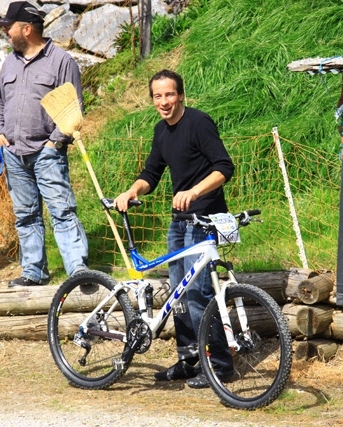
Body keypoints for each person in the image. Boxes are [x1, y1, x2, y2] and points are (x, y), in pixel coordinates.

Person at [114, 69, 235, 389]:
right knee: (179, 296)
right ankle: (189, 360)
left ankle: (220, 365)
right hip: (178, 222)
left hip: (204, 219)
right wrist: (132, 190)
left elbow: (224, 167)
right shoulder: (161, 131)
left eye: (169, 94)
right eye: (158, 96)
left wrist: (194, 191)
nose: (164, 101)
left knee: (197, 295)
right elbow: (151, 173)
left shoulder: (199, 123)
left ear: (180, 95)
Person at [0, 1, 89, 287]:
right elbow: (0, 103)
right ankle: (34, 272)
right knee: (25, 215)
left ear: (27, 29)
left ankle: (78, 271)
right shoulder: (9, 62)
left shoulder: (62, 62)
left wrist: (53, 144)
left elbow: (73, 107)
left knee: (62, 211)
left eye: (9, 27)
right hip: (13, 153)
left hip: (47, 152)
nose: (6, 32)